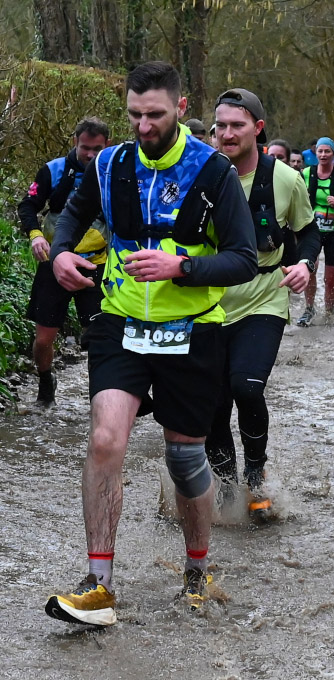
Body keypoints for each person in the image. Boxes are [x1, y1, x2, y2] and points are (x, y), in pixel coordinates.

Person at [44, 62, 257, 626]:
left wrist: (181, 267)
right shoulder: (109, 164)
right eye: (134, 115)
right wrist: (62, 253)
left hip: (192, 329)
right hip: (119, 324)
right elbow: (73, 213)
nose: (143, 126)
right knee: (105, 441)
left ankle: (197, 568)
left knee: (184, 459)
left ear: (181, 109)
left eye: (155, 115)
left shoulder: (213, 171)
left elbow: (243, 259)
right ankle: (99, 584)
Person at [207, 88, 320, 518]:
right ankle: (225, 487)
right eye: (221, 126)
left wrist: (305, 263)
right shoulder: (202, 174)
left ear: (257, 128)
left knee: (247, 387)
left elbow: (309, 232)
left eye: (237, 125)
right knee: (214, 404)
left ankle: (255, 477)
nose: (227, 134)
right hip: (209, 302)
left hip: (264, 297)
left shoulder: (285, 179)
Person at [18, 117, 111, 406]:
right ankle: (46, 381)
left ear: (107, 145)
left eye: (97, 149)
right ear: (75, 142)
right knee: (44, 339)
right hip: (54, 262)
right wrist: (35, 236)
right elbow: (28, 205)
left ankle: (102, 396)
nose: (90, 155)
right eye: (85, 148)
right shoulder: (53, 170)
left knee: (98, 337)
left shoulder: (113, 172)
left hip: (96, 264)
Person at [297, 137, 334, 326]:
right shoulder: (307, 173)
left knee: (330, 278)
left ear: (333, 154)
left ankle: (329, 313)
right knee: (310, 269)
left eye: (327, 151)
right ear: (315, 153)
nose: (323, 155)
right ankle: (309, 308)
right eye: (320, 151)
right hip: (312, 230)